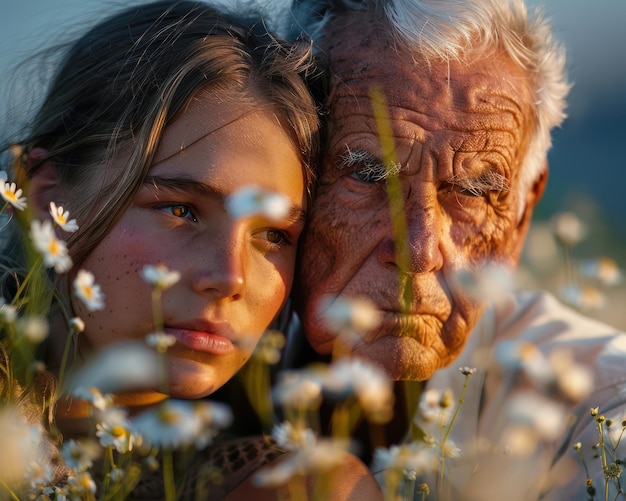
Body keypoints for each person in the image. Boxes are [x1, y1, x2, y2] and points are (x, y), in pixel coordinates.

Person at [0, 1, 382, 499]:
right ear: (46, 196)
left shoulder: (295, 490)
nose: (230, 277)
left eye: (272, 236)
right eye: (180, 210)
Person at [279, 0, 626, 498]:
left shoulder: (605, 410)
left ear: (522, 217)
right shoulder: (194, 349)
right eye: (368, 174)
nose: (419, 252)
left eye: (470, 193)